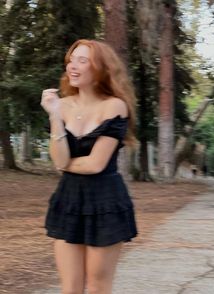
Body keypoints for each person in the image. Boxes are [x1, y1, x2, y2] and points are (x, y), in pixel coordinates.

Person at [40, 39, 138, 294]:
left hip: (105, 202)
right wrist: (54, 116)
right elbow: (59, 160)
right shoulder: (61, 106)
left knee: (97, 287)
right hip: (69, 200)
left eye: (82, 61)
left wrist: (65, 163)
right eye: (71, 60)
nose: (73, 66)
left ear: (100, 69)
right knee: (70, 288)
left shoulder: (115, 106)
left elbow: (95, 164)